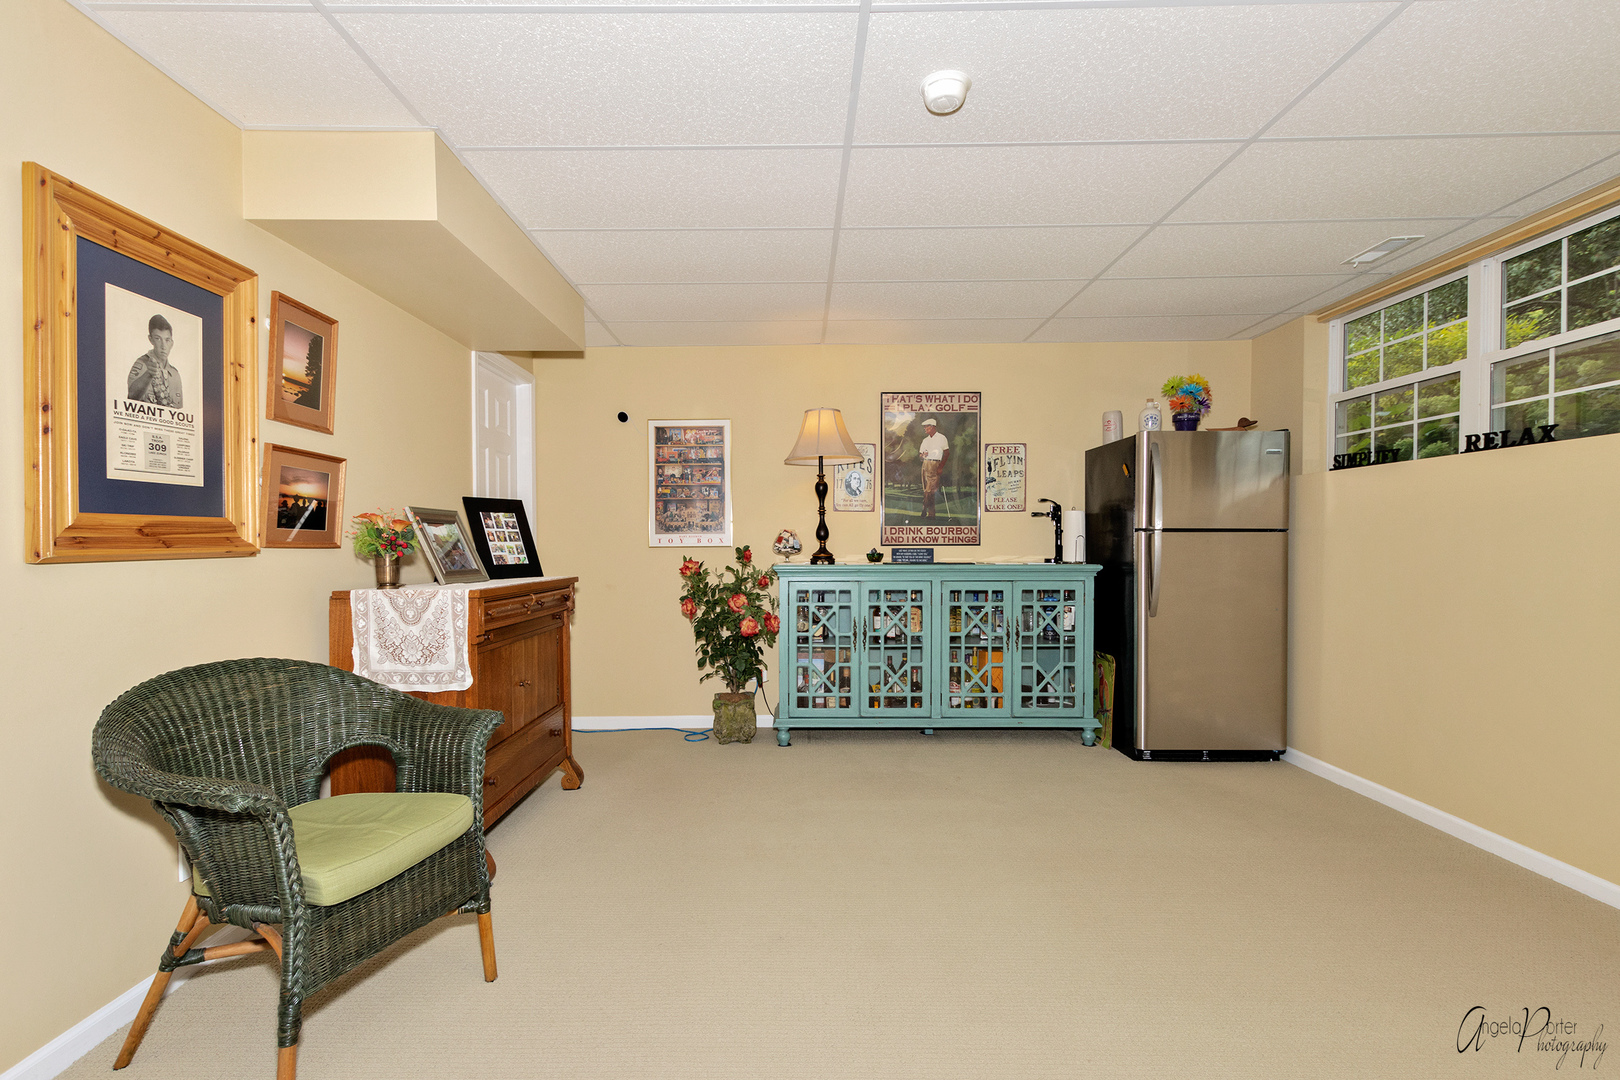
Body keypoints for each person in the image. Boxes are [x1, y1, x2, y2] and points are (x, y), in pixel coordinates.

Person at [127, 314, 183, 407]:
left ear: (172, 343)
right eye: (158, 339)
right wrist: (148, 375)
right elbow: (131, 396)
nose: (163, 346)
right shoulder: (142, 363)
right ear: (151, 340)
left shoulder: (175, 374)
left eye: (167, 340)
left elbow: (179, 409)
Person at [917, 416, 950, 520]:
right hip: (925, 464)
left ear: (932, 427)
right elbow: (920, 456)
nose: (924, 428)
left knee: (929, 490)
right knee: (926, 490)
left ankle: (924, 507)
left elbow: (947, 453)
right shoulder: (925, 440)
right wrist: (923, 455)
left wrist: (940, 467)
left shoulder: (941, 438)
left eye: (926, 426)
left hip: (935, 464)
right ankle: (931, 514)